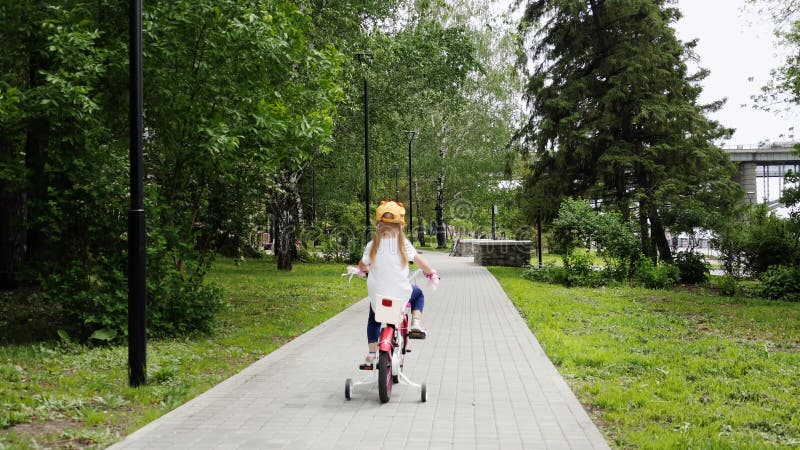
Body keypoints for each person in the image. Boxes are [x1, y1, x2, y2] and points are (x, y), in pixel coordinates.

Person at [357, 200, 437, 370]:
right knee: (419, 294)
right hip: (400, 295)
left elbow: (362, 266)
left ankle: (371, 356)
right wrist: (430, 273)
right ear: (401, 226)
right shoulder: (403, 245)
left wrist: (364, 270)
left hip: (377, 298)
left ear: (377, 225)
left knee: (374, 320)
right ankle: (416, 322)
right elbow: (422, 264)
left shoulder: (372, 246)